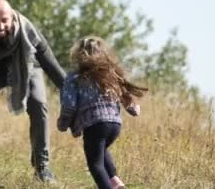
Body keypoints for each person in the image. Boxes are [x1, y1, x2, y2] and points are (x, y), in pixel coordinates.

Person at [0, 0, 66, 183]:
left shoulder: (27, 30)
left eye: (4, 20)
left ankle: (42, 169)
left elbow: (49, 62)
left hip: (26, 66)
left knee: (39, 105)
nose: (1, 26)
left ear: (12, 17)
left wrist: (70, 91)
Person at [57, 36, 148, 189]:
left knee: (95, 164)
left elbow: (69, 106)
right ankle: (115, 181)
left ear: (78, 55)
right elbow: (127, 100)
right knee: (100, 150)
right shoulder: (111, 74)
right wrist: (134, 110)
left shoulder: (74, 78)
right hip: (114, 125)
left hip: (94, 125)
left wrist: (63, 124)